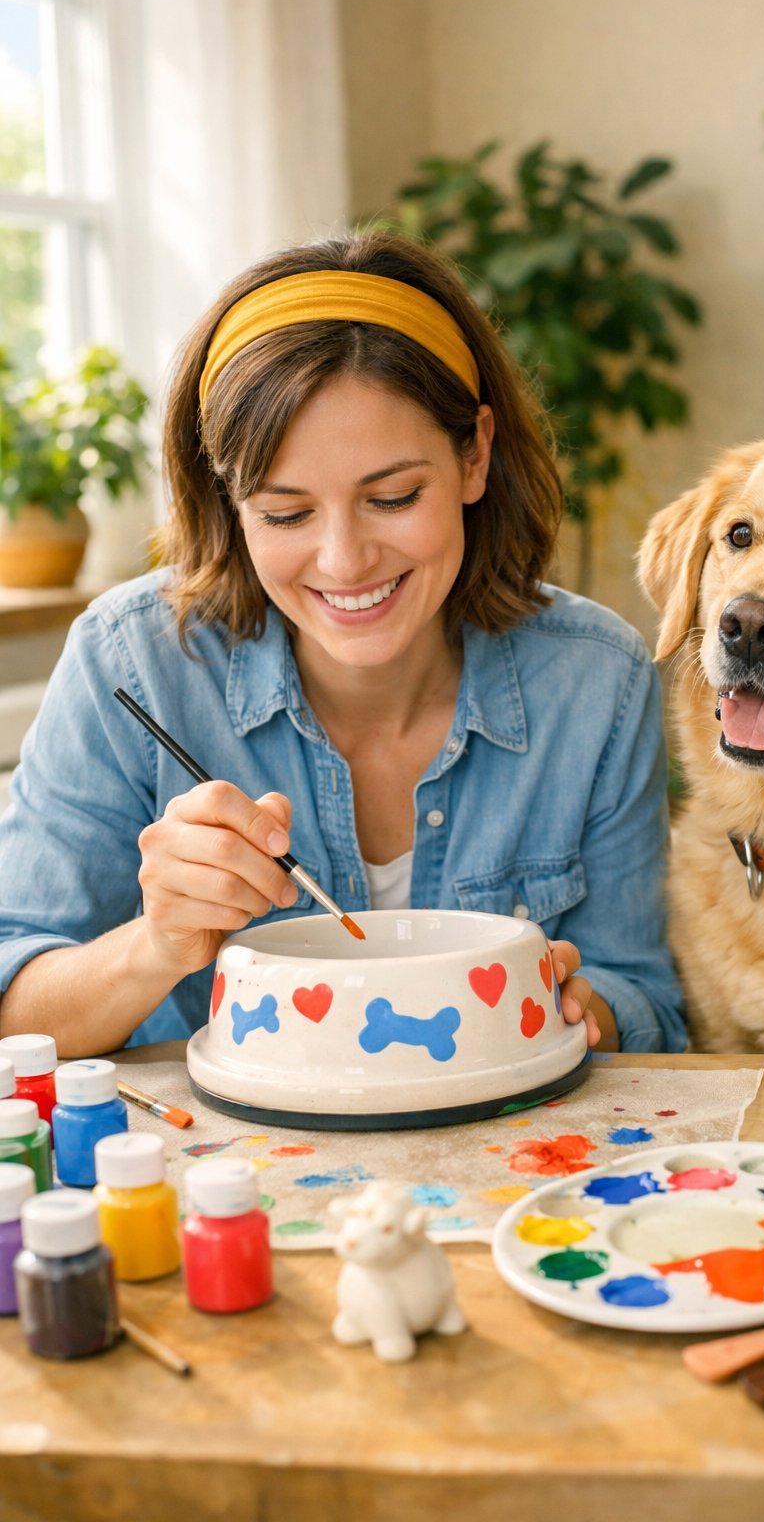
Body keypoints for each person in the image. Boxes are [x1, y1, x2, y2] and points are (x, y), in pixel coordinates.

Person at [0, 231, 684, 1056]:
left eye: (392, 497)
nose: (344, 561)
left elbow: (643, 1000)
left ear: (475, 455)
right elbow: (15, 1011)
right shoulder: (131, 664)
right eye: (285, 514)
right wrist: (155, 947)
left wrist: (576, 1007)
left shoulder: (596, 680)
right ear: (230, 503)